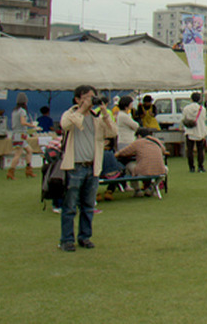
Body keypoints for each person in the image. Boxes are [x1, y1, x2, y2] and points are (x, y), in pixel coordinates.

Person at [58, 85, 117, 252]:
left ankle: (85, 237)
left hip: (93, 167)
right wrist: (82, 110)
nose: (92, 100)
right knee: (70, 206)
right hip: (75, 166)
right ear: (78, 99)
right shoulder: (70, 114)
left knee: (88, 206)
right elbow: (66, 126)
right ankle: (67, 239)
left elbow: (113, 132)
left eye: (94, 97)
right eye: (88, 97)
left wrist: (105, 113)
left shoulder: (97, 117)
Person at [115, 128, 168, 196]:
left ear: (139, 136)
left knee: (129, 166)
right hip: (160, 170)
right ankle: (151, 187)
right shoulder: (157, 141)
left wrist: (116, 154)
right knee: (165, 169)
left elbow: (124, 152)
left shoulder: (138, 142)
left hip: (143, 171)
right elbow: (164, 151)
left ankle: (137, 190)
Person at [7, 92, 38, 179]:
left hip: (16, 134)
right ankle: (11, 171)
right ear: (25, 101)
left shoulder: (15, 111)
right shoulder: (22, 111)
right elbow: (23, 122)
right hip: (20, 135)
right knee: (18, 154)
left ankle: (29, 169)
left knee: (29, 150)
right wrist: (32, 125)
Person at [182, 92, 207, 173]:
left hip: (189, 131)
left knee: (190, 150)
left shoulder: (186, 108)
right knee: (200, 150)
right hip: (200, 131)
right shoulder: (202, 109)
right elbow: (203, 119)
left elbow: (183, 119)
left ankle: (191, 167)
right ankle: (200, 166)